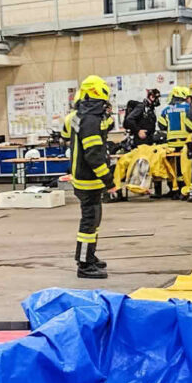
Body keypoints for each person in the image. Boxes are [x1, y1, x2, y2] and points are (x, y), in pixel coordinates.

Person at [63, 75, 117, 279]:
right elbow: (93, 155)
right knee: (89, 223)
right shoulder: (91, 120)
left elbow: (65, 133)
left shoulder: (79, 116)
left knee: (93, 220)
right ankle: (85, 265)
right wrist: (109, 182)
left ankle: (89, 256)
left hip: (82, 176)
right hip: (88, 179)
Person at [159, 85, 192, 200]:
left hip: (171, 145)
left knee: (173, 168)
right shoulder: (189, 108)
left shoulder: (166, 110)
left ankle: (174, 190)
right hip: (185, 144)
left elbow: (162, 126)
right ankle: (185, 189)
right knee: (185, 168)